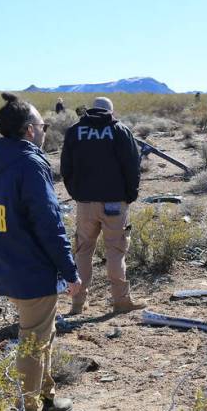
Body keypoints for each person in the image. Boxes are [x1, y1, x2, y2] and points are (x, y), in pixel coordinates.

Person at [0, 93, 82, 411]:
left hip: (8, 262)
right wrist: (70, 270)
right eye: (43, 125)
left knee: (41, 334)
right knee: (33, 342)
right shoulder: (29, 164)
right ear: (29, 130)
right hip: (32, 267)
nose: (46, 130)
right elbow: (49, 224)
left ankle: (46, 398)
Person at [60, 97, 145, 316]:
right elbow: (132, 166)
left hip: (85, 203)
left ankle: (78, 303)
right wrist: (130, 195)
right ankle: (121, 301)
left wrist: (76, 194)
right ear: (110, 110)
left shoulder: (75, 131)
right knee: (115, 251)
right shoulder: (119, 130)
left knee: (83, 251)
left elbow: (66, 168)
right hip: (115, 202)